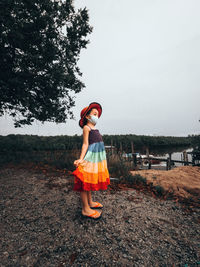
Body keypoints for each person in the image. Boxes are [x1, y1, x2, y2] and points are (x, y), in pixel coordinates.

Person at [72, 102, 110, 220]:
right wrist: (81, 159)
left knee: (89, 180)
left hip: (97, 159)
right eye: (94, 114)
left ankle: (90, 202)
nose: (96, 116)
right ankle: (85, 209)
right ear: (87, 117)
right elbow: (85, 144)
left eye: (97, 114)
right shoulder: (86, 128)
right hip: (90, 157)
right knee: (84, 179)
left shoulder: (95, 128)